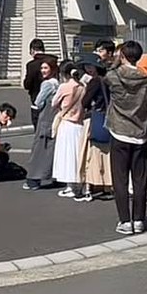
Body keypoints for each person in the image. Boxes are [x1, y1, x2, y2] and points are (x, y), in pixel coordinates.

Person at [105, 41, 147, 236]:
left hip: (119, 131)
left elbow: (108, 74)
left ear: (123, 56)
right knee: (140, 179)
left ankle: (125, 220)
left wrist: (116, 62)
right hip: (140, 133)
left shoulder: (114, 76)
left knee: (119, 179)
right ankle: (139, 219)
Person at [78, 55, 114, 203]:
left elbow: (84, 102)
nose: (87, 69)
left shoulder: (94, 82)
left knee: (90, 154)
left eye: (89, 66)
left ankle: (89, 187)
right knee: (107, 155)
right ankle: (108, 186)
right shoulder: (108, 80)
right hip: (108, 118)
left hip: (95, 118)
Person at [24, 57, 59, 191]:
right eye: (42, 68)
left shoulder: (47, 84)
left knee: (39, 149)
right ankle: (53, 176)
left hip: (45, 119)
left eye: (46, 68)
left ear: (52, 69)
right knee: (51, 150)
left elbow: (38, 102)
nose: (43, 71)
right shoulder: (57, 83)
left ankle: (33, 179)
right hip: (55, 118)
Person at [51, 62, 85, 199]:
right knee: (77, 155)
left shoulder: (64, 87)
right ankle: (78, 184)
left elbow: (54, 103)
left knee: (66, 155)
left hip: (67, 123)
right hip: (79, 123)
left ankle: (70, 186)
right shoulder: (82, 87)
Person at [23, 39, 46, 129]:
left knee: (37, 128)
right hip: (51, 101)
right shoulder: (52, 62)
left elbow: (27, 84)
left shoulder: (31, 65)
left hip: (36, 99)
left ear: (32, 50)